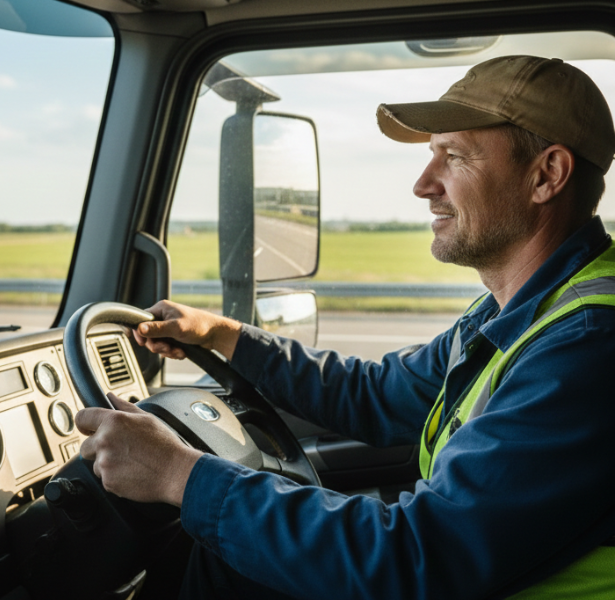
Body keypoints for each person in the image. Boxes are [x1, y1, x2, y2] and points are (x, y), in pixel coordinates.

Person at [75, 55, 615, 599]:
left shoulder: (587, 344)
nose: (424, 185)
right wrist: (222, 334)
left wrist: (179, 476)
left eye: (454, 157)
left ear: (547, 174)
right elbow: (378, 393)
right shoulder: (520, 311)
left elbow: (418, 558)